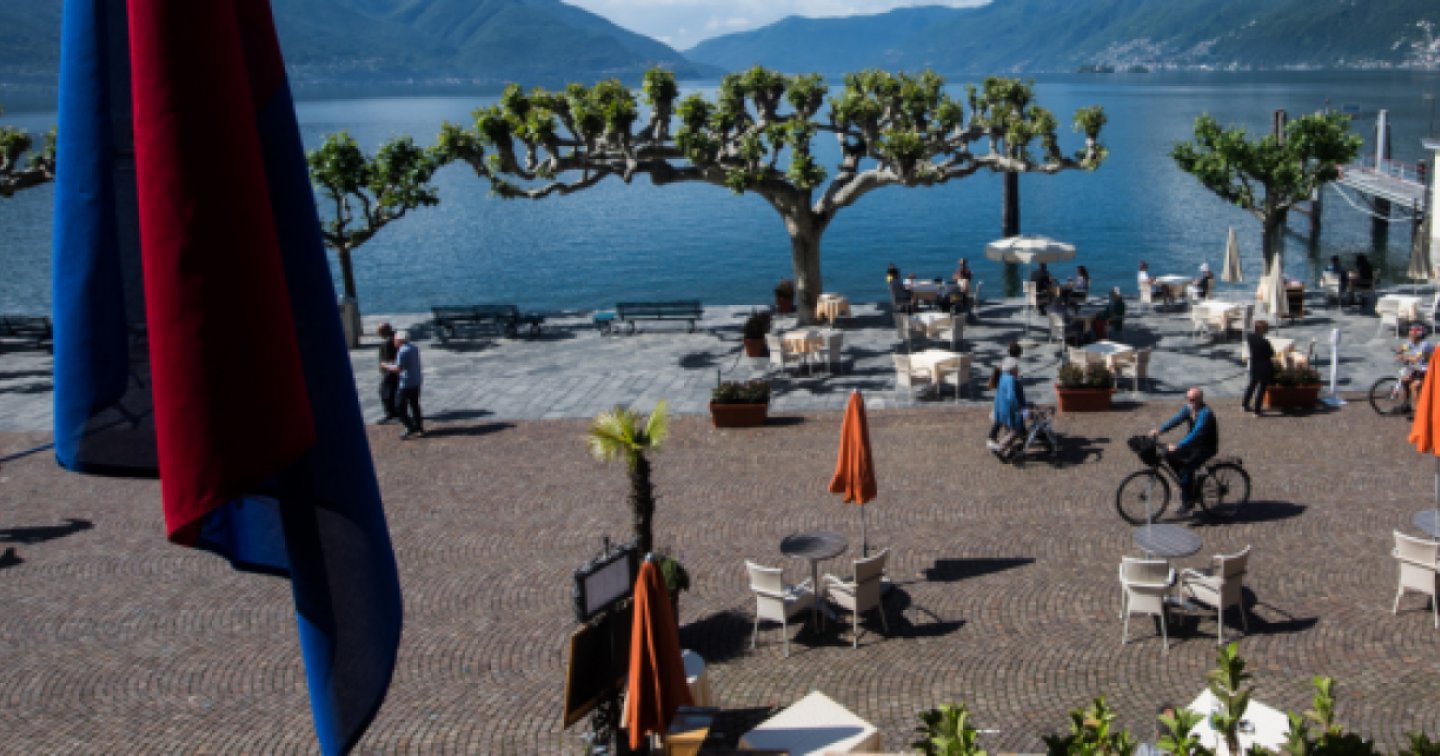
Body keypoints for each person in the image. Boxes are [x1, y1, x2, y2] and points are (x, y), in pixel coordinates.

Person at [1151, 387, 1218, 514]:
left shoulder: (1205, 414)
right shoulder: (1189, 408)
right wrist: (1160, 430)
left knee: (1186, 469)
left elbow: (1196, 433)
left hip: (1205, 448)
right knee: (1169, 455)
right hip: (1193, 446)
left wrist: (1179, 445)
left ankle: (1187, 502)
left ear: (1199, 400)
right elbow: (1176, 419)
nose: (1189, 401)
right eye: (1187, 398)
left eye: (1192, 399)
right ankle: (1186, 482)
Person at [386, 329, 425, 439]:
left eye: (395, 339)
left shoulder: (402, 351)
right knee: (415, 405)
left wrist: (386, 366)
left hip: (406, 383)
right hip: (416, 380)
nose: (394, 341)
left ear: (400, 340)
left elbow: (398, 369)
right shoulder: (414, 348)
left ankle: (410, 427)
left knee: (399, 406)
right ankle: (418, 426)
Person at [987, 353, 1026, 453]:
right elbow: (1013, 398)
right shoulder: (1011, 380)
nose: (1018, 369)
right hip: (1010, 412)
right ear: (1012, 369)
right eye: (1016, 368)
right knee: (1017, 430)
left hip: (1001, 410)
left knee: (1009, 427)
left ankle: (996, 441)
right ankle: (1002, 446)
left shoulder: (1003, 377)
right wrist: (1023, 411)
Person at [1241, 320, 1275, 416]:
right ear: (1262, 330)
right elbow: (1271, 353)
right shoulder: (1265, 342)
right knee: (1262, 388)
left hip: (1254, 364)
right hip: (1264, 366)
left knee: (1252, 385)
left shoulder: (1250, 337)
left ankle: (1245, 404)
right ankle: (1257, 410)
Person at [1399, 324, 1432, 409]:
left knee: (1414, 386)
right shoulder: (1412, 342)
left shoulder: (1425, 345)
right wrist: (1399, 351)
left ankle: (1419, 411)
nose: (1409, 336)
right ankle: (1406, 405)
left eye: (1411, 334)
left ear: (1418, 336)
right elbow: (1403, 348)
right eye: (1409, 334)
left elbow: (1416, 359)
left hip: (1429, 370)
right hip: (1420, 369)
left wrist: (1405, 357)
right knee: (1405, 381)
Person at [376, 322, 400, 423]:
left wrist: (384, 366)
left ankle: (390, 413)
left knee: (384, 391)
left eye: (379, 332)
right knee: (393, 391)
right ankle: (395, 411)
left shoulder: (388, 342)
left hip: (390, 371)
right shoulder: (395, 338)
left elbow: (389, 359)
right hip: (394, 370)